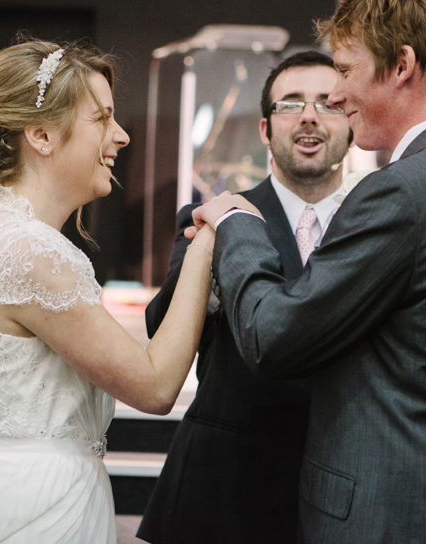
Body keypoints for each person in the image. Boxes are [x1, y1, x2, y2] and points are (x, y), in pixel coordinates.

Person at [192, 0, 426, 542]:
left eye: (347, 70)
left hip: (390, 522)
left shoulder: (400, 191)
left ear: (402, 66)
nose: (334, 95)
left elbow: (272, 333)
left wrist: (237, 223)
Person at [0, 38, 215, 544]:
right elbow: (154, 387)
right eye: (102, 119)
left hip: (3, 489)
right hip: (43, 506)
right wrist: (206, 246)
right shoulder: (30, 252)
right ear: (41, 134)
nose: (121, 136)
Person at [137, 51, 351, 544]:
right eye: (291, 104)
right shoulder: (213, 216)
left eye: (329, 103)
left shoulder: (381, 221)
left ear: (351, 122)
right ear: (264, 129)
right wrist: (211, 273)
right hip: (225, 489)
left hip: (339, 490)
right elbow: (163, 327)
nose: (310, 116)